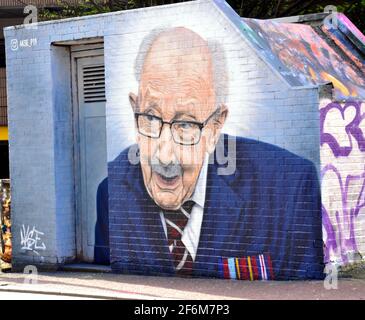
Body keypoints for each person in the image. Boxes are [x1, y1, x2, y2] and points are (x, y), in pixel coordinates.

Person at [94, 27, 324, 280]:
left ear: (215, 127)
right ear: (134, 110)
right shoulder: (111, 192)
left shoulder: (288, 188)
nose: (165, 156)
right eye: (150, 118)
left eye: (186, 125)